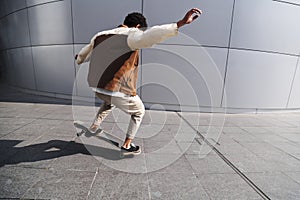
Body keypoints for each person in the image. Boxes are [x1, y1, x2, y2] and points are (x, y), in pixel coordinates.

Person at [75, 8, 202, 155]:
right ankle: (127, 145)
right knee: (139, 112)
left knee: (109, 102)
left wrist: (79, 59)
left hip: (96, 86)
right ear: (137, 26)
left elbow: (85, 53)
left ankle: (94, 127)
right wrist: (179, 24)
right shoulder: (131, 34)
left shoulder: (100, 35)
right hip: (116, 88)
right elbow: (152, 34)